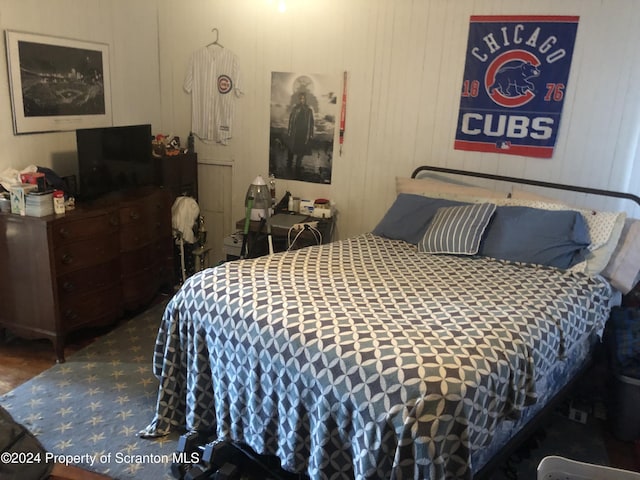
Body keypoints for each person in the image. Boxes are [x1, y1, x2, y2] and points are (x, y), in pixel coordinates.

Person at [287, 92, 314, 176]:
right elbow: (291, 121)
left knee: (301, 152)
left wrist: (310, 133)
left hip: (304, 133)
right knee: (292, 150)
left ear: (305, 99)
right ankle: (289, 168)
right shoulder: (295, 109)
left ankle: (297, 168)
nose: (302, 100)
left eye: (303, 98)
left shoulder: (309, 110)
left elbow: (311, 123)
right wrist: (289, 131)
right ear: (298, 99)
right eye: (300, 98)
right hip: (296, 132)